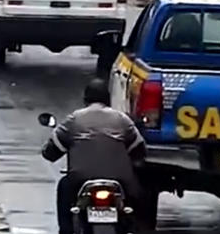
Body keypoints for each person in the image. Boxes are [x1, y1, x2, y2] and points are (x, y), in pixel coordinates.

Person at [41, 77, 146, 234]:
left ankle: (66, 231)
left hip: (80, 179)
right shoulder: (122, 120)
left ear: (85, 100)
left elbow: (51, 152)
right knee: (137, 201)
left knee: (64, 188)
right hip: (120, 179)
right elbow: (140, 150)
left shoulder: (74, 119)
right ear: (108, 99)